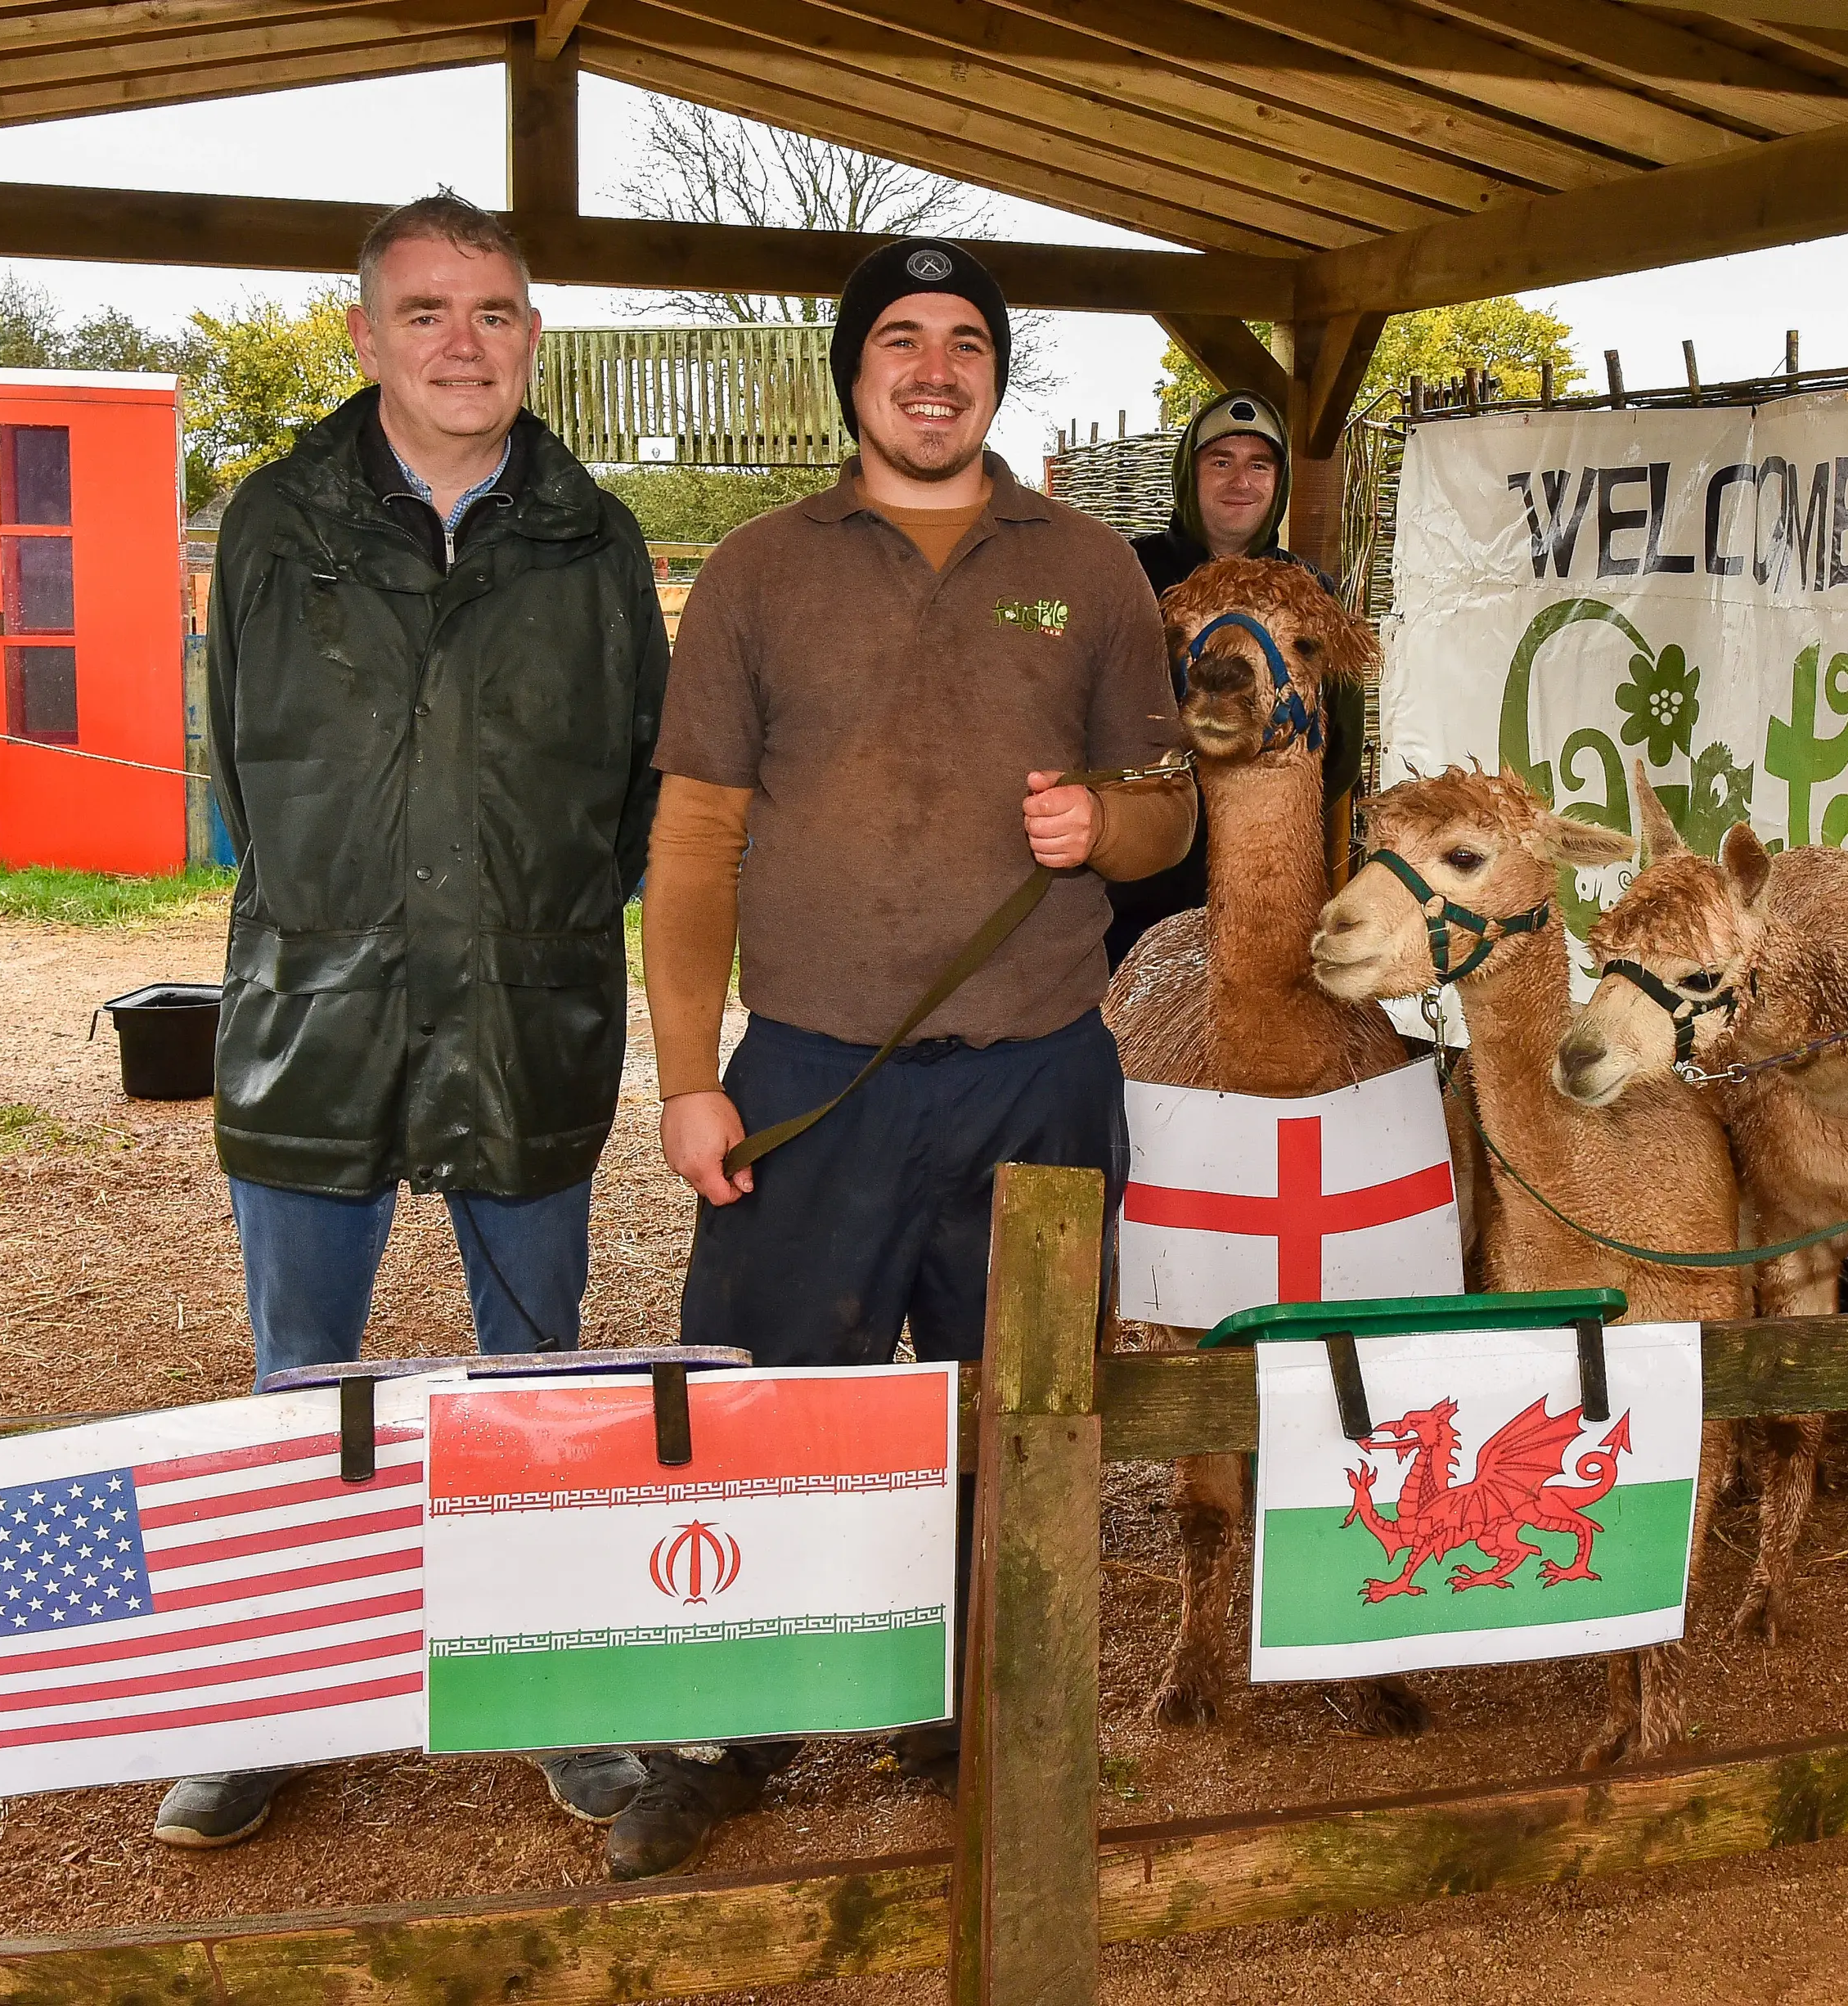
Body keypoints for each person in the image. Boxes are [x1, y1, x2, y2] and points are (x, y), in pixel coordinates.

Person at [627, 236, 1192, 1880]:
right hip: (814, 1074)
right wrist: (685, 1075)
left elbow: (1170, 795)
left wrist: (1116, 817)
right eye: (901, 339)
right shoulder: (757, 572)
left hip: (1037, 1069)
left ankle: (975, 1708)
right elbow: (693, 841)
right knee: (766, 1408)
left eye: (964, 340)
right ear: (853, 371)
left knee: (1021, 1407)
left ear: (997, 374)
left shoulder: (1088, 569)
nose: (933, 367)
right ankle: (736, 1722)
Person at [177, 193, 668, 1849]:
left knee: (536, 1362)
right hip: (313, 1011)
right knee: (299, 1375)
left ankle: (562, 1690)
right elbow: (234, 771)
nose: (466, 342)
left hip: (530, 1008)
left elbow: (635, 787)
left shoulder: (591, 539)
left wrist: (531, 919)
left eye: (499, 311)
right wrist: (333, 912)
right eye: (430, 310)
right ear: (366, 332)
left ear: (535, 334)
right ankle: (271, 1698)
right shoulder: (273, 520)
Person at [1106, 389, 1367, 965]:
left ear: (1278, 482)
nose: (1239, 481)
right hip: (1136, 889)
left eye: (1259, 465)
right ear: (1189, 472)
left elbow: (1342, 744)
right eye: (1220, 461)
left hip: (1260, 883)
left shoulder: (1309, 591)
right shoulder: (1126, 575)